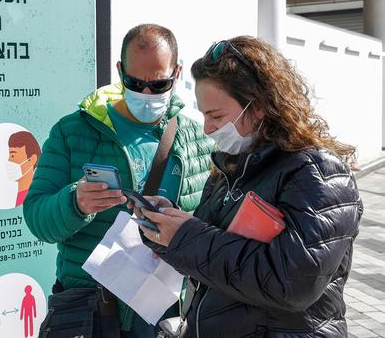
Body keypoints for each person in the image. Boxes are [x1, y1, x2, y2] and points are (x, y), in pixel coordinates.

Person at [137, 36, 362, 337]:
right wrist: (165, 229)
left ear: (258, 108)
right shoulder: (232, 167)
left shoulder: (318, 173)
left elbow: (291, 283)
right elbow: (212, 256)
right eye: (203, 114)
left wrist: (186, 236)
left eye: (216, 116)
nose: (207, 128)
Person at [23, 24, 215, 337]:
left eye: (159, 83)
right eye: (135, 82)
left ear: (177, 73)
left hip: (166, 313)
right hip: (94, 311)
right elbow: (37, 218)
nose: (147, 93)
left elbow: (215, 231)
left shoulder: (198, 139)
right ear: (120, 71)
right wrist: (75, 203)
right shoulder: (72, 132)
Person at [7, 131, 41, 207]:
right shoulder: (20, 196)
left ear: (32, 160)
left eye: (13, 156)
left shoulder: (32, 197)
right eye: (9, 156)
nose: (9, 161)